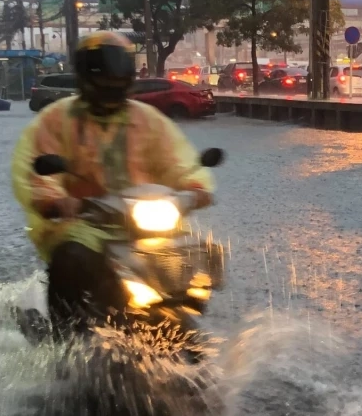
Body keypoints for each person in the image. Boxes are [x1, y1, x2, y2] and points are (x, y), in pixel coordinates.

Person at [11, 30, 214, 336]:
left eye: (117, 84)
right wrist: (54, 199)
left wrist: (195, 188)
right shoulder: (56, 120)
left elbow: (179, 160)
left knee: (192, 260)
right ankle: (66, 340)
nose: (110, 91)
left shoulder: (148, 120)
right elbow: (34, 167)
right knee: (70, 258)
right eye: (103, 83)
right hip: (85, 223)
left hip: (143, 222)